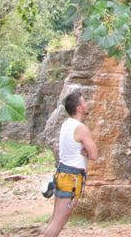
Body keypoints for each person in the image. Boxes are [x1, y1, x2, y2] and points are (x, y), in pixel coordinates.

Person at [44, 91, 98, 237]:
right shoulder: (81, 128)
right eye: (84, 102)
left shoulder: (65, 125)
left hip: (62, 172)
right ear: (79, 108)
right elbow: (94, 155)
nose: (87, 104)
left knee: (57, 218)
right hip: (72, 178)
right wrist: (86, 151)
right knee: (59, 220)